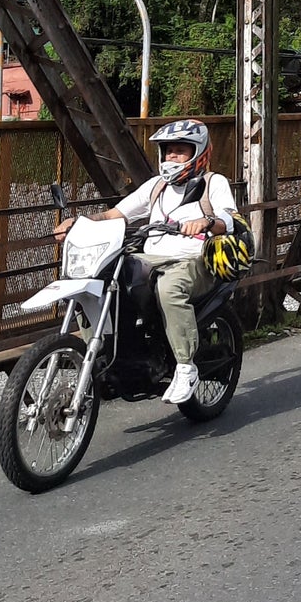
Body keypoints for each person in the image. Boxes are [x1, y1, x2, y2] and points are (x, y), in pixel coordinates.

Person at [53, 120, 236, 404]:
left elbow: (229, 217)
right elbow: (116, 214)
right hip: (149, 258)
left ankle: (186, 367)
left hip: (192, 259)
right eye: (168, 152)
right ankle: (108, 354)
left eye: (180, 151)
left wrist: (207, 221)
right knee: (100, 281)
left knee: (169, 289)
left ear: (198, 153)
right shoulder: (156, 186)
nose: (172, 157)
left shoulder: (214, 182)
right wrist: (78, 222)